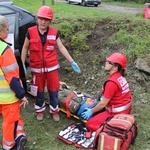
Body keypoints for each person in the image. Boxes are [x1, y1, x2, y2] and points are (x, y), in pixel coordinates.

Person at [21, 5, 81, 122]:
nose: (43, 22)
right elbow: (24, 48)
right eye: (41, 19)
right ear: (37, 18)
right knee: (38, 92)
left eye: (46, 19)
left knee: (53, 91)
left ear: (50, 21)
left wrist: (71, 61)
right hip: (37, 70)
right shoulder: (30, 32)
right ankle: (40, 111)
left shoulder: (54, 33)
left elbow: (61, 47)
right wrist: (22, 64)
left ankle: (54, 111)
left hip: (51, 69)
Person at [81, 52, 132, 131]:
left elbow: (103, 104)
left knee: (90, 124)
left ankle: (110, 128)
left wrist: (91, 111)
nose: (106, 63)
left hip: (116, 113)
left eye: (109, 62)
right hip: (125, 110)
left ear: (115, 67)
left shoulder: (112, 83)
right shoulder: (120, 76)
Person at [0, 15, 28, 150]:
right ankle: (9, 145)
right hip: (8, 98)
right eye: (7, 29)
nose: (8, 31)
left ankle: (19, 135)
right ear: (0, 31)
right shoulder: (5, 51)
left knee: (13, 118)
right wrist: (22, 95)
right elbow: (13, 79)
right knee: (10, 122)